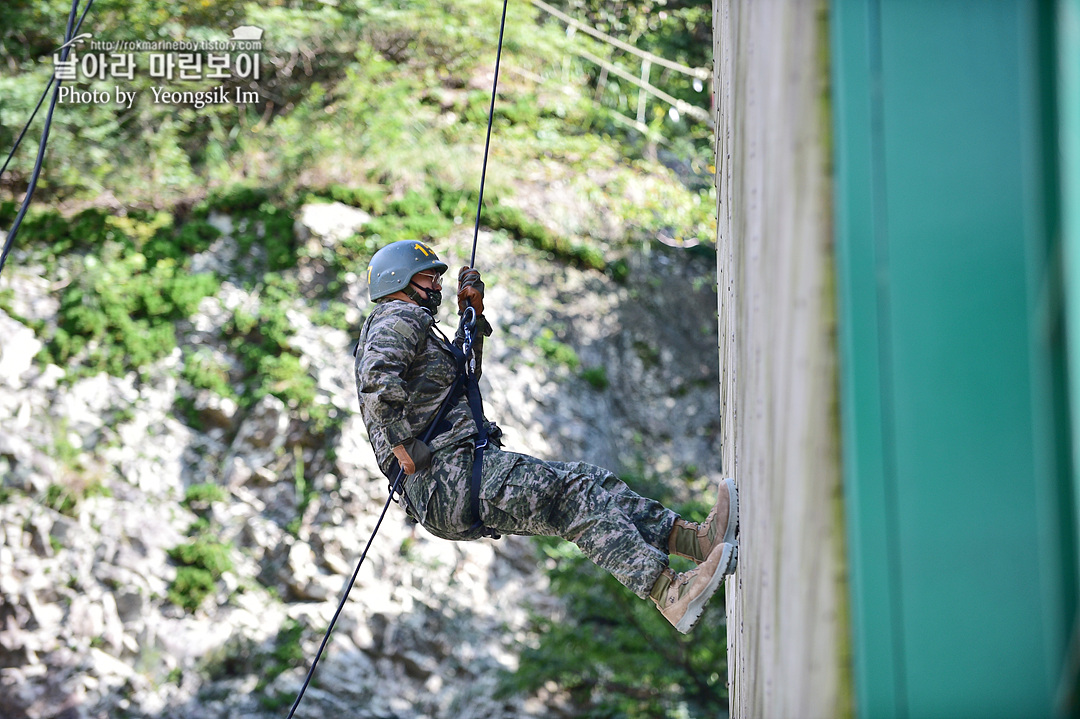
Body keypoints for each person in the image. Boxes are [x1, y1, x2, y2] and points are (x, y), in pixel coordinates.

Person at [353, 240, 739, 633]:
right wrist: (402, 446)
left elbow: (461, 381)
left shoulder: (412, 325)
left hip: (450, 482)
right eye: (428, 276)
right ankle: (670, 593)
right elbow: (377, 382)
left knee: (591, 482)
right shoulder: (398, 315)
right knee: (574, 494)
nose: (437, 284)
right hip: (446, 477)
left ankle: (697, 543)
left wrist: (472, 316)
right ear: (399, 280)